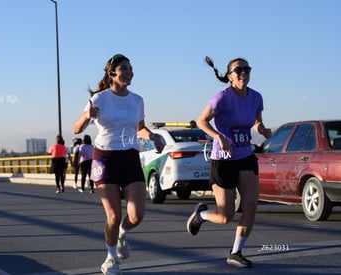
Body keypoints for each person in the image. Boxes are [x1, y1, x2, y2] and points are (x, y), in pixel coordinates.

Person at [73, 54, 165, 275]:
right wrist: (87, 117)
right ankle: (110, 258)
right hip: (104, 158)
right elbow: (76, 129)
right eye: (123, 68)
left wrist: (152, 136)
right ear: (111, 73)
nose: (128, 72)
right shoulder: (98, 99)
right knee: (113, 216)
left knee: (137, 215)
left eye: (130, 68)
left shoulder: (137, 100)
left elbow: (139, 127)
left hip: (130, 157)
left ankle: (123, 233)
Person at [186, 56, 272, 268]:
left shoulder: (256, 97)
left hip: (245, 156)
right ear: (229, 75)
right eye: (238, 69)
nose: (243, 72)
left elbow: (257, 122)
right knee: (226, 216)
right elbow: (201, 120)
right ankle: (202, 215)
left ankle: (236, 252)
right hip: (223, 159)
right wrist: (218, 137)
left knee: (251, 204)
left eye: (247, 68)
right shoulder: (222, 98)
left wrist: (262, 130)